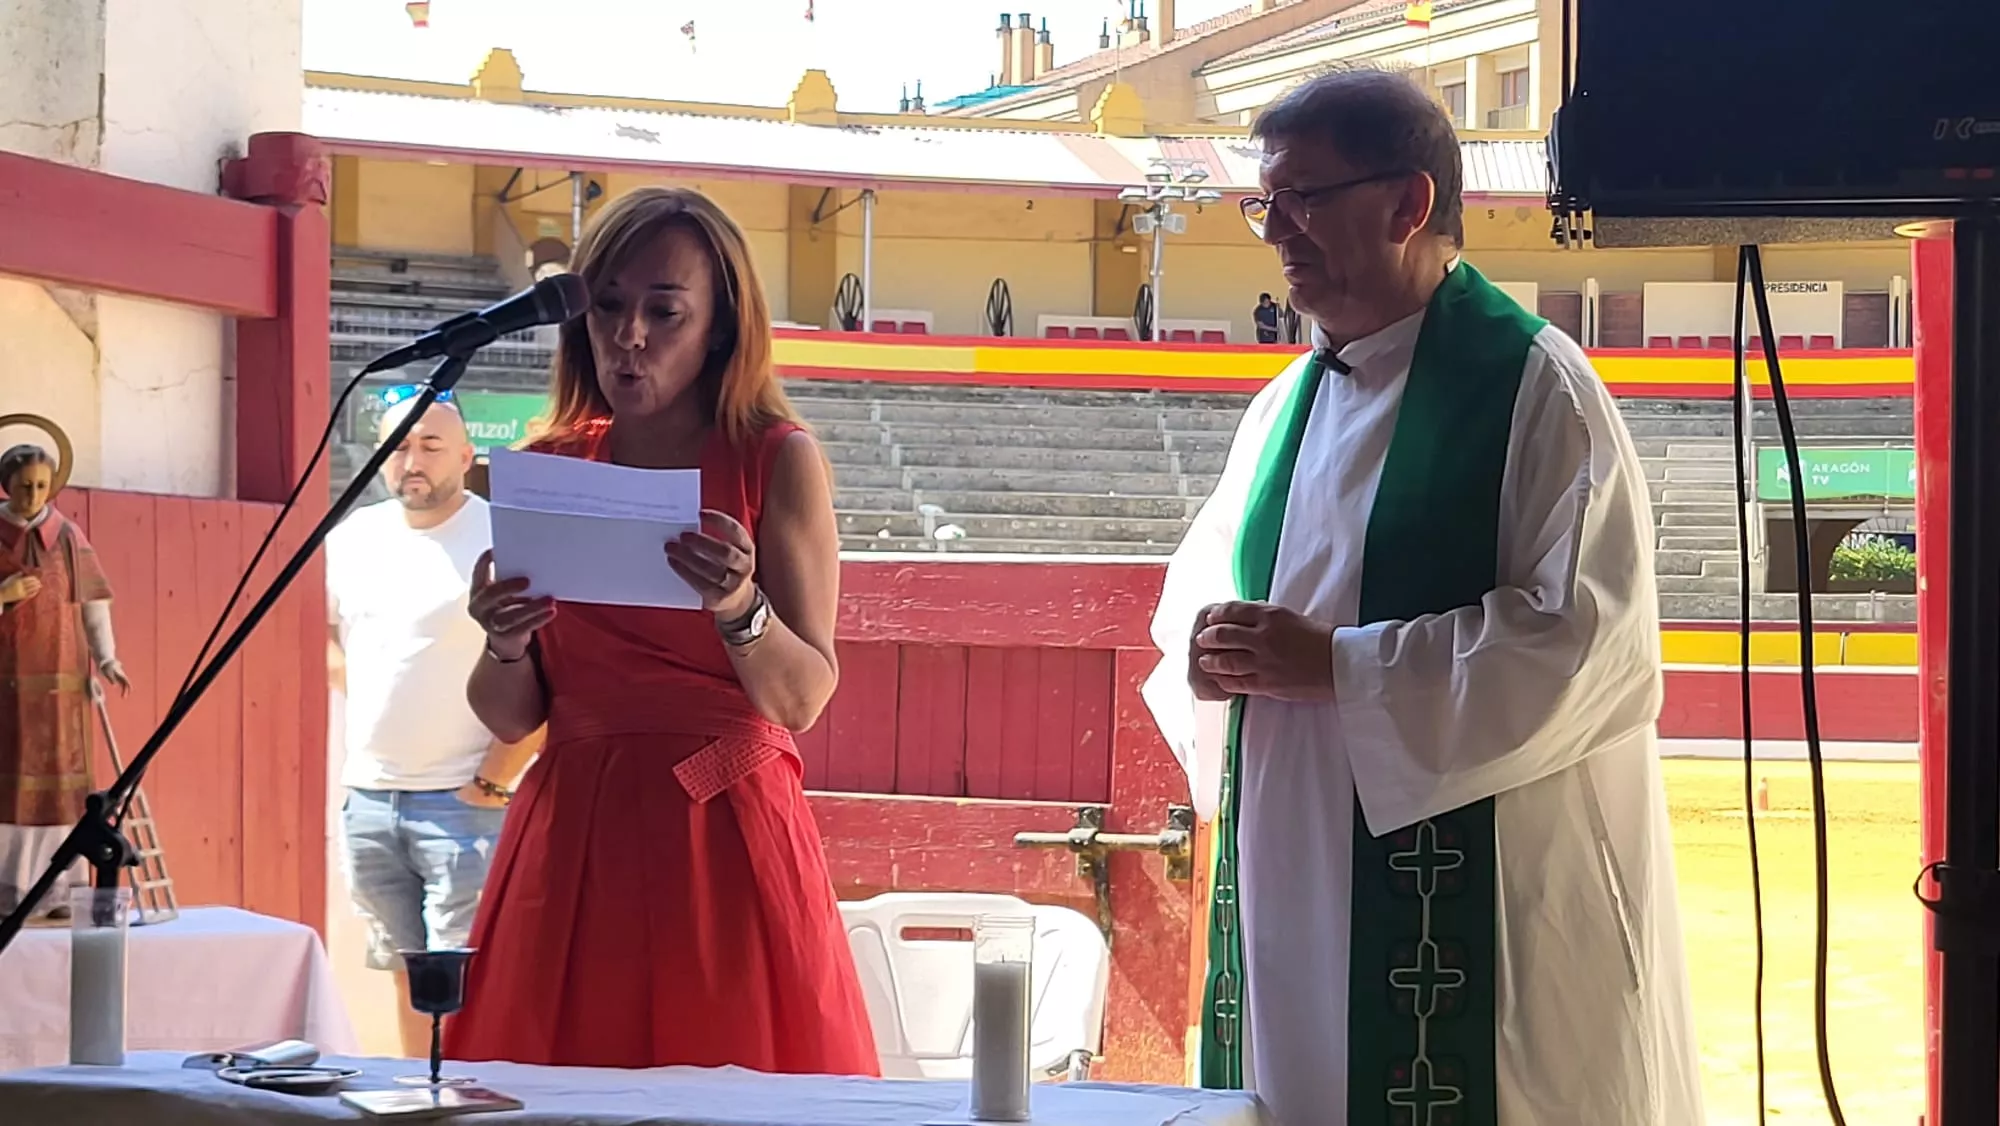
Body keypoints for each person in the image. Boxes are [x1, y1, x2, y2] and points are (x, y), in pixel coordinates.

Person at [1141, 70, 1703, 1125]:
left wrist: (1340, 668)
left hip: (1482, 901)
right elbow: (1206, 589)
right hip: (1294, 867)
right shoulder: (1281, 406)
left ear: (1406, 202)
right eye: (1262, 203)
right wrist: (1208, 647)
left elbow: (1589, 648)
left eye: (1300, 197)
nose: (1274, 231)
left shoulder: (1537, 388)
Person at [446, 186, 878, 1075]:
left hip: (723, 835)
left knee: (730, 1085)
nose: (629, 335)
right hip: (572, 837)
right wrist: (505, 640)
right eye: (607, 307)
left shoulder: (774, 457)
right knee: (558, 1083)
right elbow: (507, 716)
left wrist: (740, 609)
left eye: (663, 311)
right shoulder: (552, 463)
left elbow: (802, 699)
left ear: (719, 326)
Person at [325, 399, 539, 1056]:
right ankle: (419, 1099)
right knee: (404, 978)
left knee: (473, 983)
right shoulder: (352, 537)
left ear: (468, 457)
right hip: (369, 798)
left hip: (466, 801)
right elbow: (329, 641)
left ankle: (470, 1101)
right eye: (398, 448)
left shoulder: (507, 541)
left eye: (431, 446)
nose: (411, 462)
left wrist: (496, 778)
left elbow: (551, 670)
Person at [0, 443, 129, 920]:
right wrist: (4, 594)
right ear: (6, 485)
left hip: (62, 683)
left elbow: (94, 604)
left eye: (41, 485)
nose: (33, 494)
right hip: (7, 685)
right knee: (10, 787)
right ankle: (11, 889)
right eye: (23, 485)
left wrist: (107, 658)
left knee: (61, 789)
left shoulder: (68, 536)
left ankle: (57, 889)